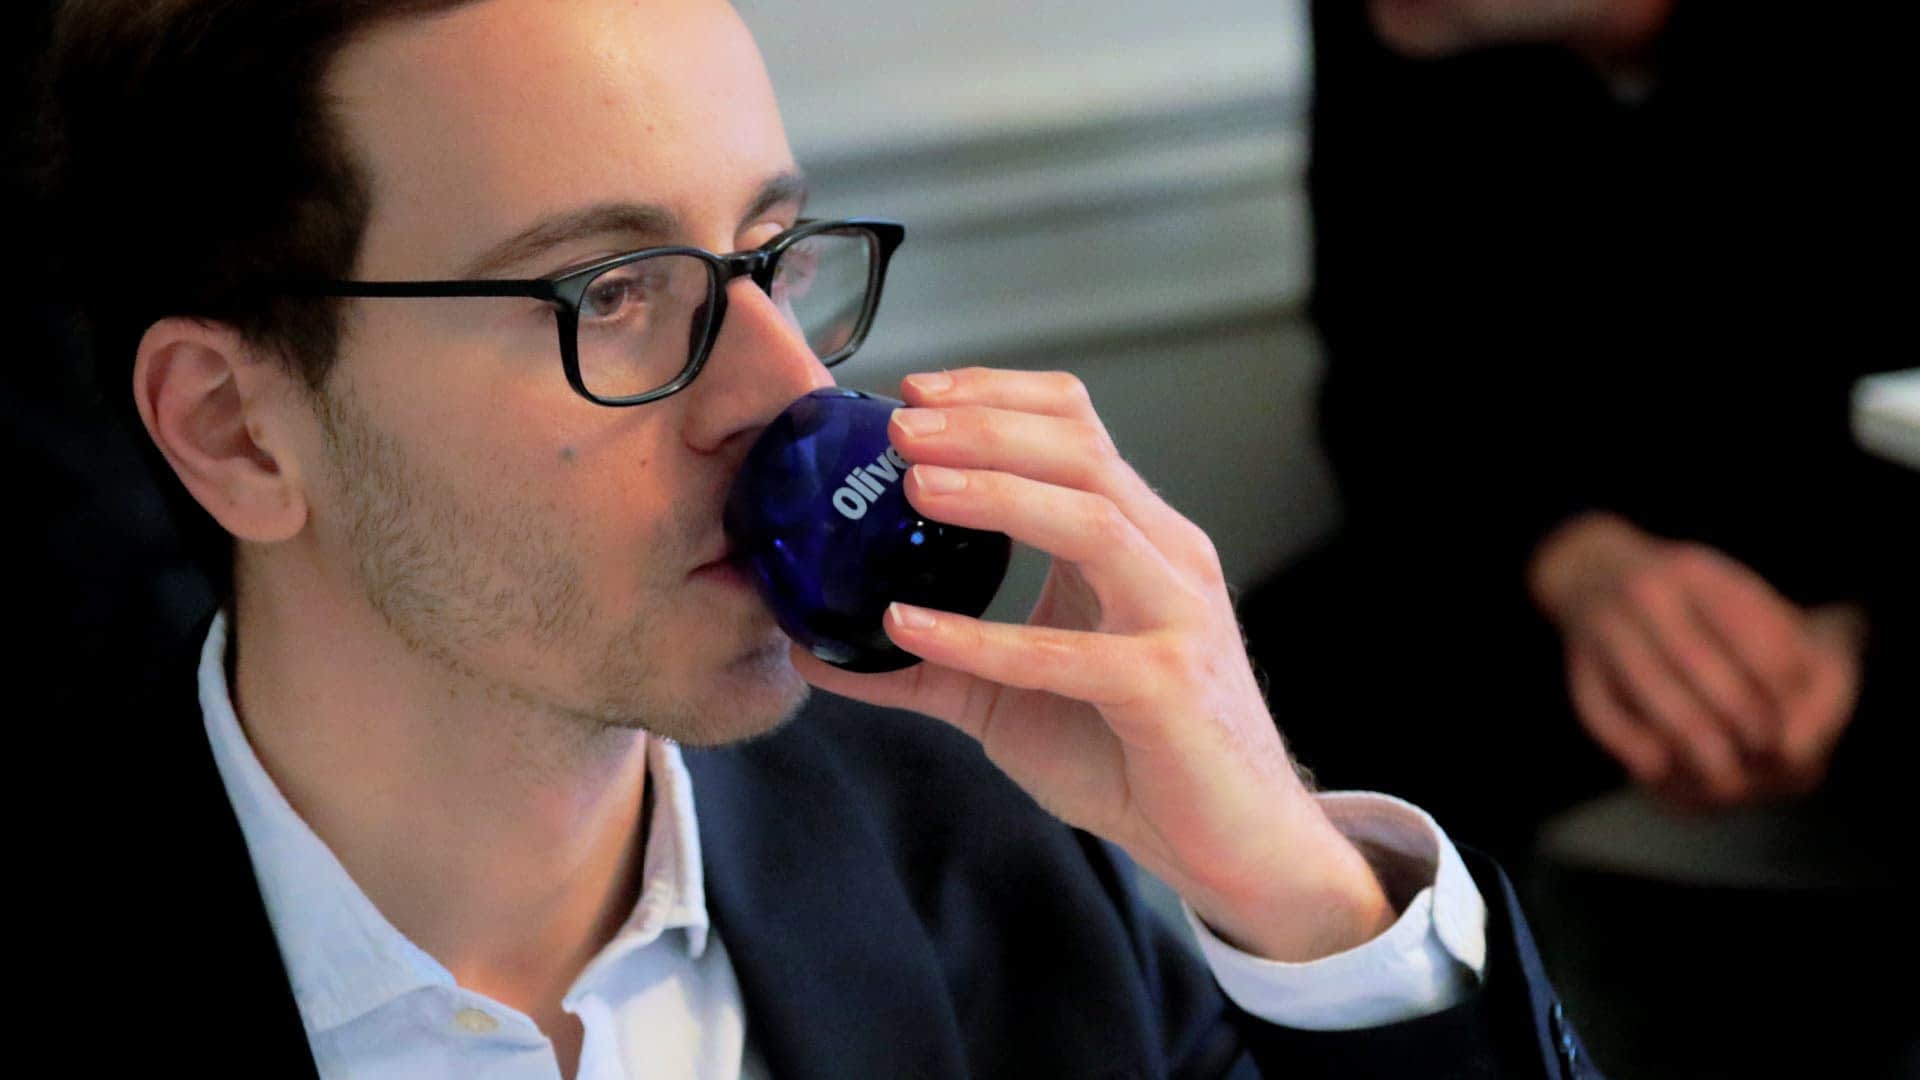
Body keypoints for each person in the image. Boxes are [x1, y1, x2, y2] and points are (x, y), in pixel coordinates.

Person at [31, 1, 1598, 1076]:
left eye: (771, 256)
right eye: (611, 291)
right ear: (237, 429)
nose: (789, 382)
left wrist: (1303, 896)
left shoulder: (1008, 863)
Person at [1241, 1, 1912, 1075]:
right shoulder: (1414, 22)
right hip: (1584, 556)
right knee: (1265, 701)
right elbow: (1385, 376)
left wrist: (1872, 633)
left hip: (1884, 544)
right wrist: (1576, 559)